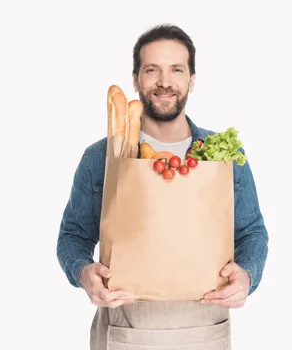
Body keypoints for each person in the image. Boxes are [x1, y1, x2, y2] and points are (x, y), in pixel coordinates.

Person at [57, 24, 269, 349]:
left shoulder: (224, 155)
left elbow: (251, 231)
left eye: (177, 70)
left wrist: (247, 275)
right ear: (135, 79)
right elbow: (72, 236)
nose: (165, 82)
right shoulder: (101, 157)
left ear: (192, 80)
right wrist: (84, 272)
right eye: (152, 69)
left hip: (204, 324)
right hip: (126, 324)